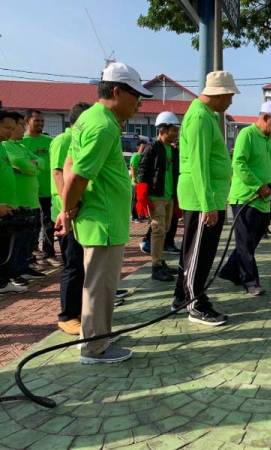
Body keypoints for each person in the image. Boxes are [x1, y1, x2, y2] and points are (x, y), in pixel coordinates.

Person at [55, 61, 153, 364]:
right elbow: (77, 176)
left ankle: (98, 334)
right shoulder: (103, 125)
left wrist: (66, 209)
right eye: (134, 95)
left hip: (99, 217)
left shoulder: (87, 119)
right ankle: (95, 347)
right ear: (115, 91)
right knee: (100, 284)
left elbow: (70, 162)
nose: (138, 103)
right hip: (103, 219)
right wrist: (67, 210)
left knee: (98, 282)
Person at [171, 71, 239, 325]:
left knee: (193, 251)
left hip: (206, 196)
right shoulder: (200, 117)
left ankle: (182, 296)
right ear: (219, 94)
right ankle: (194, 303)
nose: (230, 101)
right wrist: (208, 204)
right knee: (199, 254)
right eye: (229, 96)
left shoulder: (205, 115)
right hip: (203, 198)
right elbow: (199, 165)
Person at [219, 101, 271, 296]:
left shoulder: (269, 142)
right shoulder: (247, 135)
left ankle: (230, 271)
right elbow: (238, 163)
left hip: (263, 201)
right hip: (245, 198)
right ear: (264, 118)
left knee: (251, 242)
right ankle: (250, 281)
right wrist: (258, 186)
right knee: (245, 243)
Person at [49, 103, 92, 334]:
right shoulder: (64, 140)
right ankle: (67, 315)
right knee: (72, 263)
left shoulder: (79, 139)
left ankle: (78, 309)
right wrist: (67, 208)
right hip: (66, 210)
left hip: (76, 209)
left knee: (80, 262)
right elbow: (58, 172)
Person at [3, 112, 47, 285]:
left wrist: (33, 165)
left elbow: (39, 163)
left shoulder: (21, 146)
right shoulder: (7, 146)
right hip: (17, 201)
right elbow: (26, 166)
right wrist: (32, 165)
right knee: (16, 241)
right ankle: (13, 273)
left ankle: (24, 266)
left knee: (30, 237)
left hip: (32, 200)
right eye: (20, 125)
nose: (22, 129)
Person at [137, 112, 180, 282]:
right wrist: (142, 198)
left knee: (165, 229)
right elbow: (142, 172)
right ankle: (156, 266)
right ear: (163, 129)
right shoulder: (151, 148)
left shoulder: (173, 150)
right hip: (156, 196)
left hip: (168, 196)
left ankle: (161, 261)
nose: (176, 133)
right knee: (158, 230)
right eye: (173, 130)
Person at [22, 110, 59, 267]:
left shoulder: (50, 141)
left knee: (49, 224)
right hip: (28, 192)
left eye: (42, 121)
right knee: (31, 225)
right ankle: (30, 257)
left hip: (47, 190)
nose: (40, 123)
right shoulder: (21, 142)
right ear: (27, 121)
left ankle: (49, 254)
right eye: (36, 120)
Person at [0, 110, 26, 294]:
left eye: (12, 127)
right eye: (6, 127)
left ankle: (2, 282)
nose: (10, 131)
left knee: (5, 251)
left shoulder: (3, 147)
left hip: (7, 206)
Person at [129, 140, 145, 222]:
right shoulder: (136, 156)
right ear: (138, 147)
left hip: (141, 181)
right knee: (134, 199)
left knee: (140, 199)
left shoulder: (143, 156)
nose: (144, 148)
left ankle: (140, 215)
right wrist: (134, 179)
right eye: (142, 146)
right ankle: (134, 216)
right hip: (135, 181)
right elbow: (132, 167)